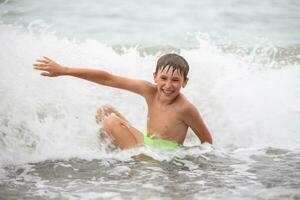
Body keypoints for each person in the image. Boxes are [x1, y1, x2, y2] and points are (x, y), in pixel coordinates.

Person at [33, 53, 212, 149]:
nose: (168, 85)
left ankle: (127, 162)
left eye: (175, 80)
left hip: (161, 159)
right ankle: (109, 156)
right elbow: (108, 78)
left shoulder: (185, 108)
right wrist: (64, 70)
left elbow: (207, 142)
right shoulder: (149, 91)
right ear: (155, 77)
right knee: (105, 111)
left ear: (185, 83)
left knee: (111, 121)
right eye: (163, 78)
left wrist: (187, 167)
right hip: (148, 146)